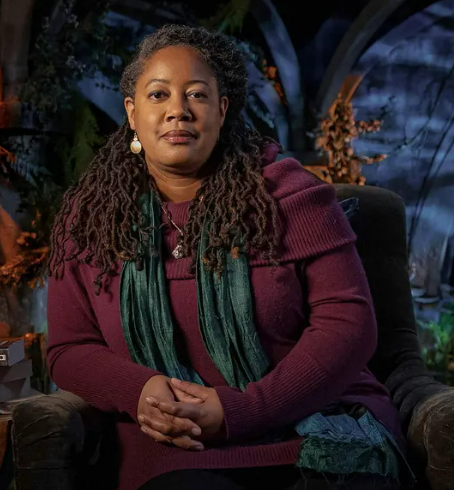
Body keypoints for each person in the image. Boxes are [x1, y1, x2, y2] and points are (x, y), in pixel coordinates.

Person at [45, 24, 409, 490]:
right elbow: (70, 348)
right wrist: (139, 391)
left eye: (197, 95)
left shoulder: (293, 197)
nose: (178, 110)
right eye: (158, 95)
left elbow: (349, 326)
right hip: (176, 449)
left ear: (221, 110)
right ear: (132, 114)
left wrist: (243, 409)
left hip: (314, 431)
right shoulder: (90, 220)